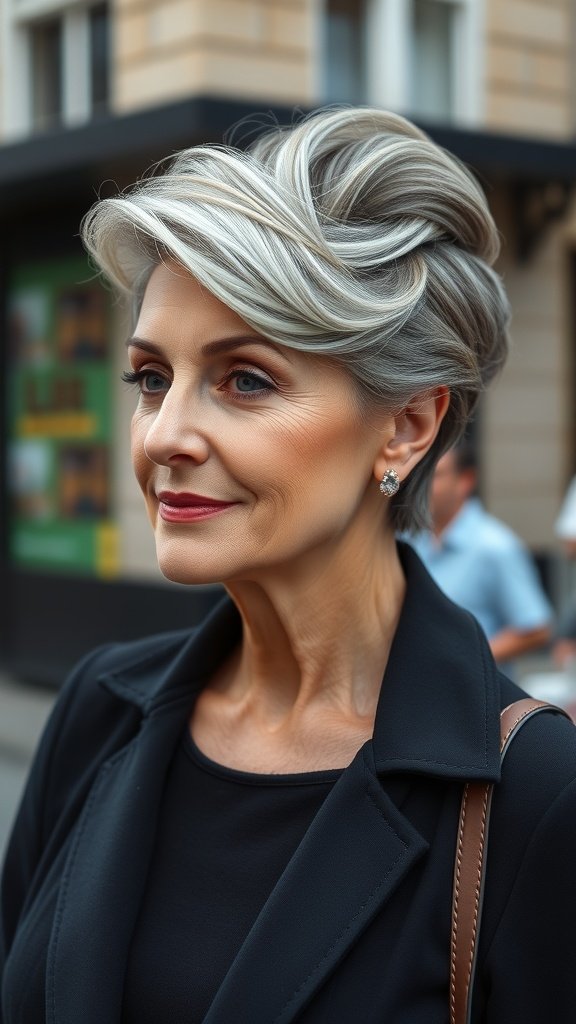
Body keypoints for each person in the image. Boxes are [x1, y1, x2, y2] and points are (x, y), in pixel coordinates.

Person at [2, 107, 576, 1024]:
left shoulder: (537, 793)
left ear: (407, 426)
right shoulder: (99, 709)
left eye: (246, 380)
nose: (165, 436)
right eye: (152, 377)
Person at [409, 440, 553, 668]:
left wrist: (467, 662)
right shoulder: (410, 539)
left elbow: (535, 628)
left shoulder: (494, 546)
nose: (422, 484)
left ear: (465, 481)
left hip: (472, 687)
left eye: (434, 475)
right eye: (419, 473)